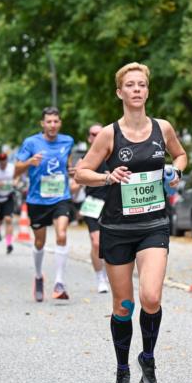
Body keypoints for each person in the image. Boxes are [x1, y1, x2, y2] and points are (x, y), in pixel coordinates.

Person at [75, 62, 187, 383]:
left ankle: (147, 358)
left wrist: (175, 172)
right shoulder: (110, 134)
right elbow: (81, 173)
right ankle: (122, 370)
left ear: (147, 91)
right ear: (120, 92)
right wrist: (108, 177)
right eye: (130, 85)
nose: (136, 89)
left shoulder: (162, 128)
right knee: (124, 305)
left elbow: (181, 156)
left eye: (141, 84)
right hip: (117, 227)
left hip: (153, 224)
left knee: (151, 297)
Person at [14, 107, 76, 302]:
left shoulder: (68, 141)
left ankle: (59, 282)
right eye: (48, 122)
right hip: (37, 200)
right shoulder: (31, 142)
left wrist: (72, 171)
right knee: (39, 242)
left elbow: (67, 163)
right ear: (43, 124)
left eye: (56, 121)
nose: (52, 125)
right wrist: (29, 162)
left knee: (62, 234)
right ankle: (39, 276)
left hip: (61, 197)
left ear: (60, 123)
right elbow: (16, 169)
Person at [73, 124, 111, 293]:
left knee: (112, 244)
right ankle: (100, 278)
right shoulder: (84, 160)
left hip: (112, 203)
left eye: (99, 133)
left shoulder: (114, 155)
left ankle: (113, 275)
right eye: (93, 134)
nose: (96, 136)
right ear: (89, 138)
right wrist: (76, 177)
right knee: (96, 243)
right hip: (92, 203)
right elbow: (74, 187)